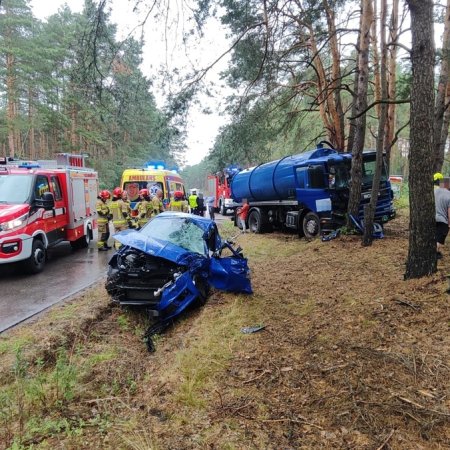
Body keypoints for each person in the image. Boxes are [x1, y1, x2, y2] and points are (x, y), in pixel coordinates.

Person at [434, 172, 450, 259]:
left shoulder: (434, 191)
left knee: (436, 235)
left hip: (432, 218)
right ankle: (434, 253)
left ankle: (438, 252)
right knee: (440, 238)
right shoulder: (449, 195)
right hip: (443, 220)